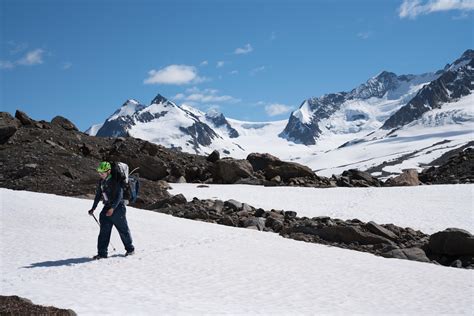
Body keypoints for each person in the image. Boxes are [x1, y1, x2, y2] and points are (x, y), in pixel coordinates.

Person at [88, 161, 135, 259]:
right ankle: (102, 253)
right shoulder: (102, 182)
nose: (100, 175)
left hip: (118, 208)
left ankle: (130, 249)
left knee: (123, 230)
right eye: (99, 173)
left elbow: (119, 196)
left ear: (108, 171)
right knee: (104, 232)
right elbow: (98, 195)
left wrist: (113, 208)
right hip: (107, 208)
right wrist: (93, 208)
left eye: (102, 173)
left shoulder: (115, 181)